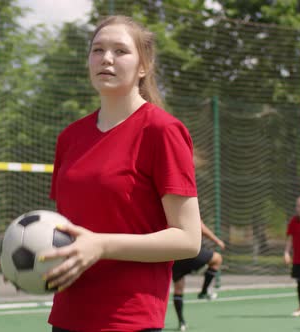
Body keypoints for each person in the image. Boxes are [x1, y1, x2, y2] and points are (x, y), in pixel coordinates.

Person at [41, 15, 202, 332]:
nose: (107, 59)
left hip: (128, 320)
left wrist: (102, 245)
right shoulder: (70, 137)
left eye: (120, 51)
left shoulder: (162, 131)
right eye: (98, 50)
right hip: (67, 317)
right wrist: (31, 253)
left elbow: (188, 239)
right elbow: (67, 229)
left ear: (143, 66)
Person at [172, 221, 225, 331]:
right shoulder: (184, 206)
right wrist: (217, 241)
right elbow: (201, 227)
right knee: (217, 259)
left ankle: (182, 322)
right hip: (190, 253)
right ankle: (204, 292)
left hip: (174, 256)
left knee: (178, 289)